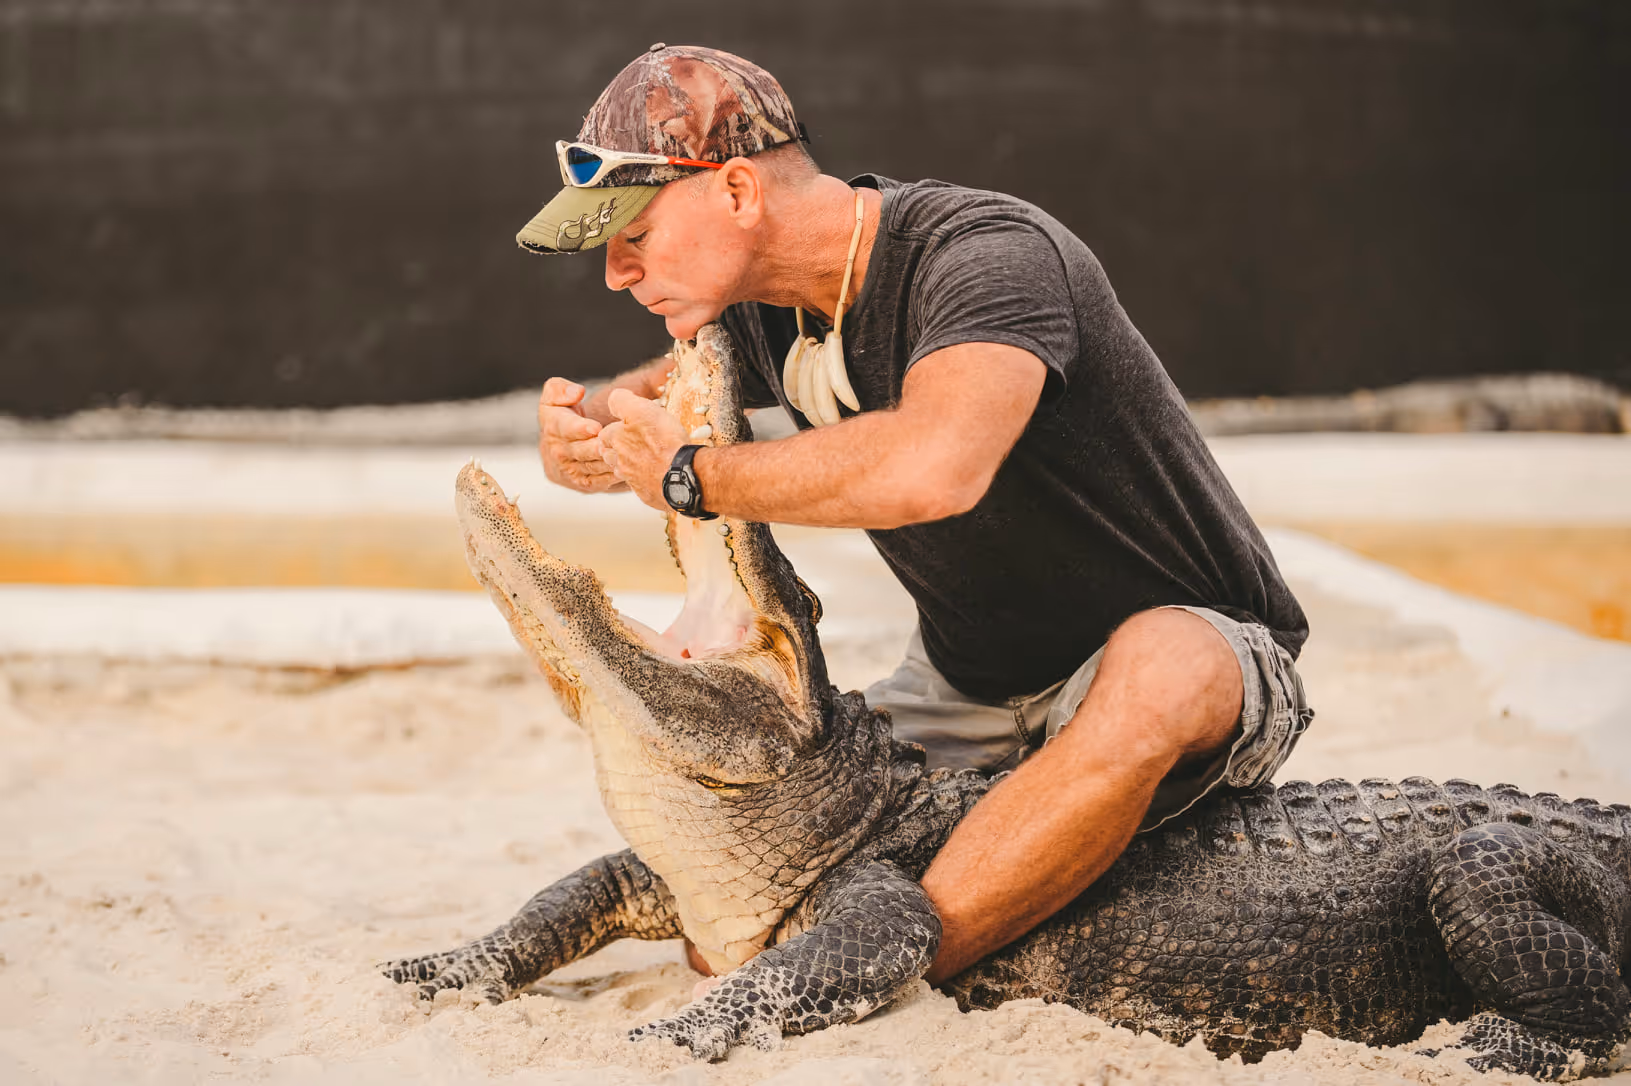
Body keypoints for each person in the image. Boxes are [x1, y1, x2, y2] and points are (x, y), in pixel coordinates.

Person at [520, 43, 1313, 985]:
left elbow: (936, 467)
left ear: (736, 192)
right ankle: (871, 939)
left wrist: (692, 475)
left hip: (1199, 659)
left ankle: (876, 970)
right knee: (716, 930)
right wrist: (594, 428)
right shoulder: (759, 306)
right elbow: (660, 392)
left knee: (1165, 665)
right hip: (963, 688)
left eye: (634, 235)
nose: (615, 272)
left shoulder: (985, 256)